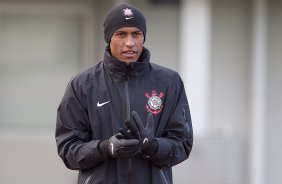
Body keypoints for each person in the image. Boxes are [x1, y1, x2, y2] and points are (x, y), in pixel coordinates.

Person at [55, 3, 193, 184]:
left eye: (136, 34)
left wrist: (153, 146)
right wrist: (106, 148)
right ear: (108, 38)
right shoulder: (82, 85)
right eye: (121, 34)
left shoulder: (169, 82)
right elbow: (68, 148)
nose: (130, 42)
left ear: (143, 38)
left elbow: (182, 144)